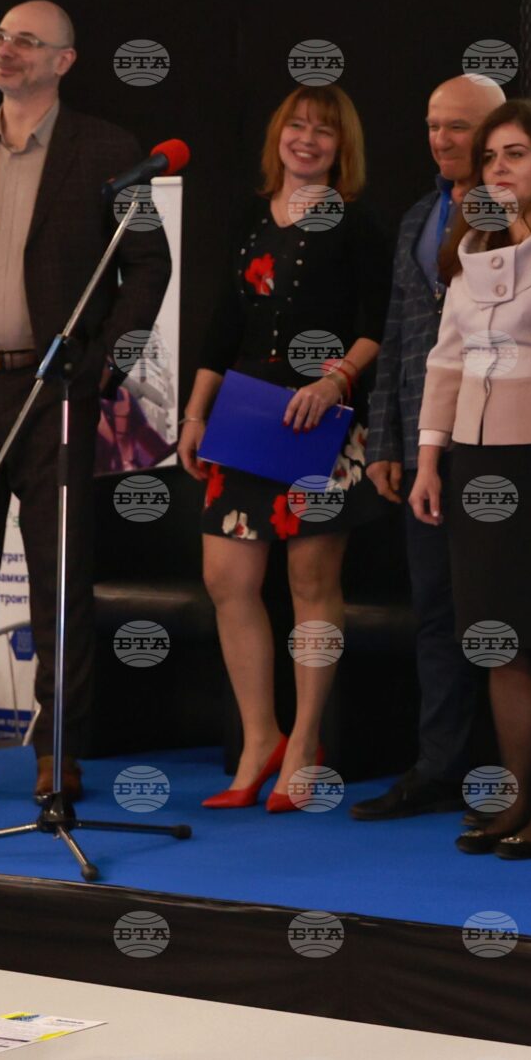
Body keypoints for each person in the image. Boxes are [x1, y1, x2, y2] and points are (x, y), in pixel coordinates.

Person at [0, 0, 172, 808]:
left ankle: (58, 753)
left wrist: (101, 367)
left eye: (24, 41)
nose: (4, 50)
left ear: (63, 61)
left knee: (58, 582)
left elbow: (149, 265)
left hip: (54, 396)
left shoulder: (106, 149)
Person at [176, 86, 393, 812]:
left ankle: (304, 742)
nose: (307, 139)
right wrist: (196, 413)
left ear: (342, 147)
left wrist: (336, 381)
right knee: (226, 579)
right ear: (277, 135)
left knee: (310, 582)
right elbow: (222, 323)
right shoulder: (247, 216)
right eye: (296, 125)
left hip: (319, 419)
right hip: (244, 414)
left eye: (323, 131)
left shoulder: (357, 221)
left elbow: (379, 321)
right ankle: (258, 736)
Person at [409, 100, 531, 859]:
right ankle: (516, 795)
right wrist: (431, 456)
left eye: (515, 153)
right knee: (498, 639)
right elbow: (446, 358)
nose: (498, 168)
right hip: (478, 456)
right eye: (490, 156)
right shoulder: (473, 241)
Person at [352, 72, 506, 822]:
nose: (443, 140)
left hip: (503, 440)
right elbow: (399, 330)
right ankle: (441, 766)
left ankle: (514, 773)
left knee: (503, 612)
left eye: (459, 127)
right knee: (438, 613)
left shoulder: (524, 214)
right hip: (423, 447)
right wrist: (387, 440)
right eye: (433, 126)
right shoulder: (419, 214)